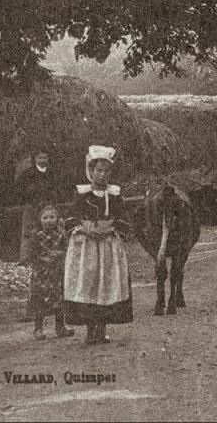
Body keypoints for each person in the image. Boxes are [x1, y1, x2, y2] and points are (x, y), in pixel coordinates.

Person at [62, 145, 133, 345]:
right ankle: (90, 330)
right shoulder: (82, 194)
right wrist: (84, 228)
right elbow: (70, 220)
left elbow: (123, 220)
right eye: (98, 170)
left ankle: (101, 330)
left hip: (108, 247)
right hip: (86, 248)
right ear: (90, 171)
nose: (102, 175)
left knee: (106, 285)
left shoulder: (115, 195)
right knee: (88, 284)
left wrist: (111, 227)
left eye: (106, 171)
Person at [28, 204, 74, 340]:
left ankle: (60, 327)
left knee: (59, 299)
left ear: (57, 219)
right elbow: (32, 254)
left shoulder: (61, 234)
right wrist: (46, 258)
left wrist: (59, 255)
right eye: (45, 218)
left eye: (52, 217)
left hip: (58, 272)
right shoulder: (36, 235)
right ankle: (38, 328)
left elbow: (67, 250)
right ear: (40, 220)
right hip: (41, 273)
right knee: (40, 300)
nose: (49, 220)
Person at [18, 150, 56, 265]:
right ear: (35, 159)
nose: (42, 160)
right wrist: (30, 200)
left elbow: (55, 189)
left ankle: (46, 256)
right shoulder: (28, 173)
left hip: (47, 206)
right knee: (29, 231)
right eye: (39, 158)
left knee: (48, 230)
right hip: (32, 206)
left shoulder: (51, 173)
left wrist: (50, 202)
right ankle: (25, 259)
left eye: (44, 158)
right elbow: (21, 189)